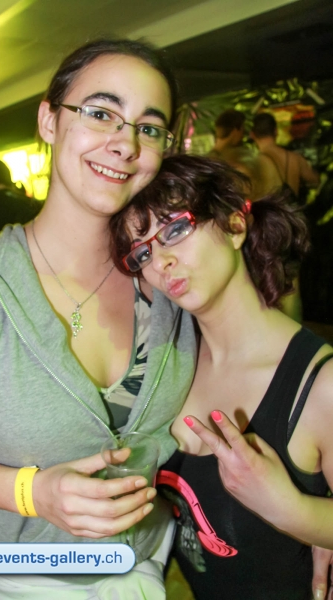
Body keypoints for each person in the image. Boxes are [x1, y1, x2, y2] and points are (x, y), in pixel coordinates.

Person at [0, 39, 197, 600]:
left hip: (144, 571)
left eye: (149, 128)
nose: (125, 143)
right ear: (49, 121)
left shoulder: (171, 280)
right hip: (20, 579)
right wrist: (31, 493)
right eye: (100, 113)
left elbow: (257, 373)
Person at [111, 154, 333, 600]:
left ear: (235, 225)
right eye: (144, 252)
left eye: (175, 229)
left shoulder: (319, 385)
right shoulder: (169, 367)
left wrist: (292, 509)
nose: (161, 261)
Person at [250, 112, 320, 200]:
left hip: (266, 208)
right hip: (290, 208)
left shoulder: (252, 164)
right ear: (276, 131)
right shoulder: (295, 158)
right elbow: (315, 181)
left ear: (252, 135)